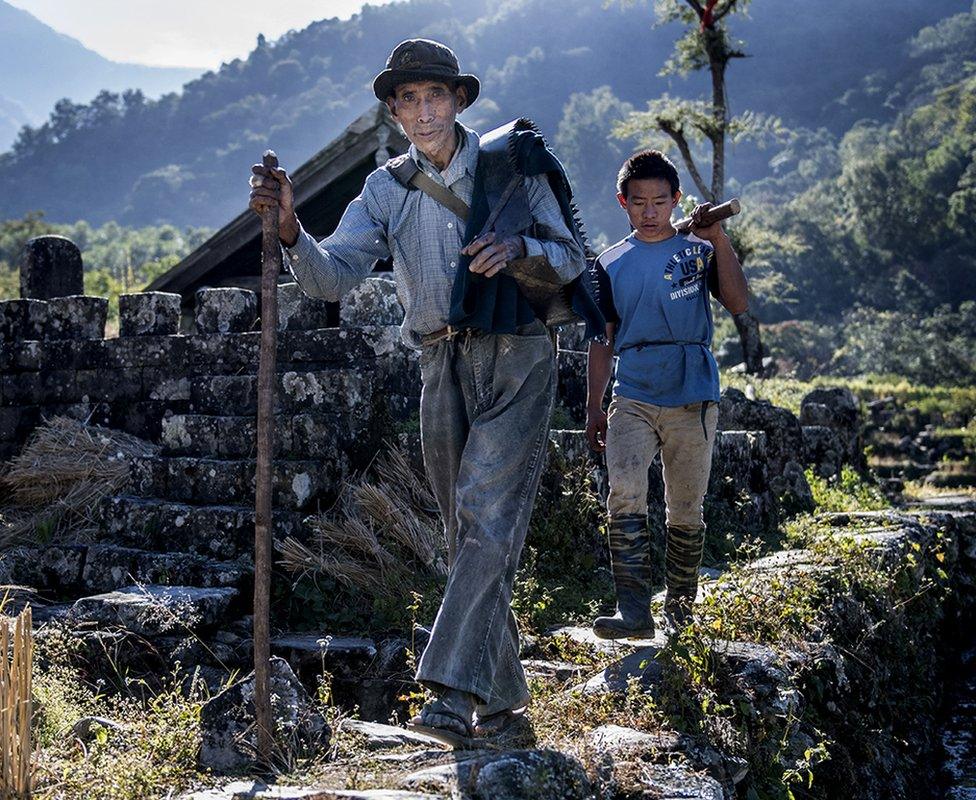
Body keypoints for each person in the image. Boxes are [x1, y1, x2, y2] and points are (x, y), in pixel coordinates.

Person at [248, 38, 588, 745]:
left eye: (435, 96)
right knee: (469, 535)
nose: (423, 111)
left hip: (517, 355)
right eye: (408, 100)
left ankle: (445, 694)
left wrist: (520, 252)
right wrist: (289, 228)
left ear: (459, 101)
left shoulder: (511, 167)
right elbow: (330, 276)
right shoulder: (384, 188)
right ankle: (504, 711)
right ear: (394, 112)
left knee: (486, 519)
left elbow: (570, 258)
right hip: (438, 364)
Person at [585, 150, 749, 638]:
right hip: (632, 390)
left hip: (692, 392)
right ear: (623, 203)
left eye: (661, 201)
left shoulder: (698, 250)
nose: (651, 211)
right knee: (625, 492)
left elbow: (738, 302)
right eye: (640, 203)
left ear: (677, 201)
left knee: (685, 505)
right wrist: (594, 407)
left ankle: (680, 610)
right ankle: (634, 611)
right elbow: (602, 337)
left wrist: (716, 236)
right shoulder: (609, 263)